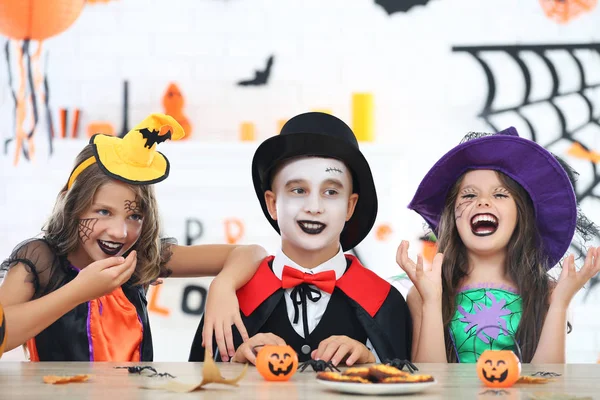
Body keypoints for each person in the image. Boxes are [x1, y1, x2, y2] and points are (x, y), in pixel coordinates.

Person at [0, 113, 266, 361]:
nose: (120, 232)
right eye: (103, 211)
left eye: (134, 216)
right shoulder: (41, 260)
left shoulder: (140, 258)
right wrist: (79, 291)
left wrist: (223, 286)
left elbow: (252, 253)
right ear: (72, 207)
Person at [190, 112, 412, 366]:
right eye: (298, 190)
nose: (314, 207)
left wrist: (372, 362)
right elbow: (201, 385)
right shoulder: (230, 298)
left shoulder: (386, 301)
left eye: (330, 191)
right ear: (272, 204)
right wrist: (234, 367)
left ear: (350, 207)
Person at [399, 127, 600, 363]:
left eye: (500, 195)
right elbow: (429, 386)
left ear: (521, 215)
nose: (483, 201)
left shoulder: (548, 293)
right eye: (469, 195)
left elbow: (548, 385)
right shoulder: (423, 293)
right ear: (452, 215)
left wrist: (559, 303)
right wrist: (432, 301)